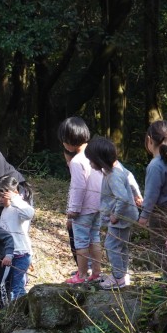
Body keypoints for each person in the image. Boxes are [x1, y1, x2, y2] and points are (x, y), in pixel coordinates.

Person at [85, 136, 140, 290]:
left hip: (120, 219)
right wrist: (136, 193)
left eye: (91, 160)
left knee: (111, 246)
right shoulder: (115, 169)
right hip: (125, 217)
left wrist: (116, 214)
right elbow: (129, 178)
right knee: (121, 246)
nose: (90, 163)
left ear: (100, 159)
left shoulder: (114, 175)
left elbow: (122, 198)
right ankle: (122, 274)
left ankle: (118, 277)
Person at [59, 117, 102, 284]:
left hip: (83, 209)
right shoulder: (94, 156)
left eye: (63, 140)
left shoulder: (77, 161)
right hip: (98, 206)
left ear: (69, 140)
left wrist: (73, 209)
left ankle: (82, 275)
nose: (63, 144)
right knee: (95, 239)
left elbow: (78, 187)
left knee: (81, 242)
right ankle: (96, 273)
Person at [139, 120, 167, 272]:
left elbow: (151, 194)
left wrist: (144, 215)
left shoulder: (155, 165)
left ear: (149, 140)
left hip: (161, 211)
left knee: (160, 244)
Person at [0, 176, 34, 300]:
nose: (0, 199)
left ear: (14, 193)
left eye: (3, 196)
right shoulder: (5, 210)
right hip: (9, 254)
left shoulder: (18, 208)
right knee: (10, 285)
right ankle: (14, 307)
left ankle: (20, 309)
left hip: (21, 254)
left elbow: (29, 213)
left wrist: (15, 198)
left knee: (17, 287)